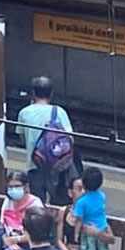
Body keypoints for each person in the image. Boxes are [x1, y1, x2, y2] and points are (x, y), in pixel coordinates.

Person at [18, 75, 75, 204]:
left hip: (35, 165)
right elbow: (70, 139)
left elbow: (22, 138)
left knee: (37, 204)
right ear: (51, 93)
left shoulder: (24, 112)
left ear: (33, 93)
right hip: (57, 166)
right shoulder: (59, 111)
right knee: (60, 203)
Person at [68, 166, 116, 250]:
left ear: (84, 184)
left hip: (88, 230)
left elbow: (78, 220)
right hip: (102, 227)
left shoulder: (82, 202)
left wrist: (76, 234)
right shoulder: (102, 196)